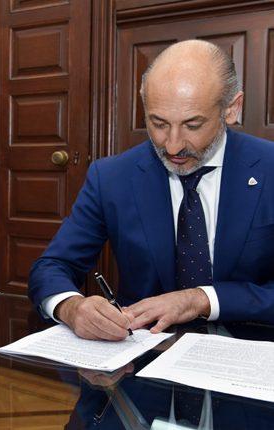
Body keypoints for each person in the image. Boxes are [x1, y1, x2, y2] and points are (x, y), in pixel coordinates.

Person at [29, 39, 274, 341]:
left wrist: (201, 299)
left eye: (192, 125)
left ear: (231, 109)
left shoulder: (269, 168)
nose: (172, 145)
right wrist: (71, 306)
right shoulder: (112, 176)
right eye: (158, 123)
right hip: (141, 359)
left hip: (250, 353)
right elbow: (51, 266)